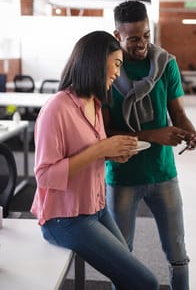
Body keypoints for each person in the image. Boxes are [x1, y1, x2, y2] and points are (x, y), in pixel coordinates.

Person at [30, 30, 160, 290]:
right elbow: (44, 175)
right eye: (116, 64)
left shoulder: (96, 104)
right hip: (64, 219)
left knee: (129, 276)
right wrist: (101, 149)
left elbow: (90, 155)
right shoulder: (57, 108)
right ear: (96, 62)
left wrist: (112, 154)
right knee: (147, 282)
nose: (117, 73)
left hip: (96, 209)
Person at [103, 1, 196, 290]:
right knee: (121, 257)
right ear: (117, 36)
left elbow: (178, 116)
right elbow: (105, 132)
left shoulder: (166, 63)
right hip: (122, 175)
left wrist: (191, 134)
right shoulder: (108, 69)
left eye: (147, 35)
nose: (142, 44)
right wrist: (153, 135)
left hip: (163, 173)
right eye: (133, 38)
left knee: (178, 256)